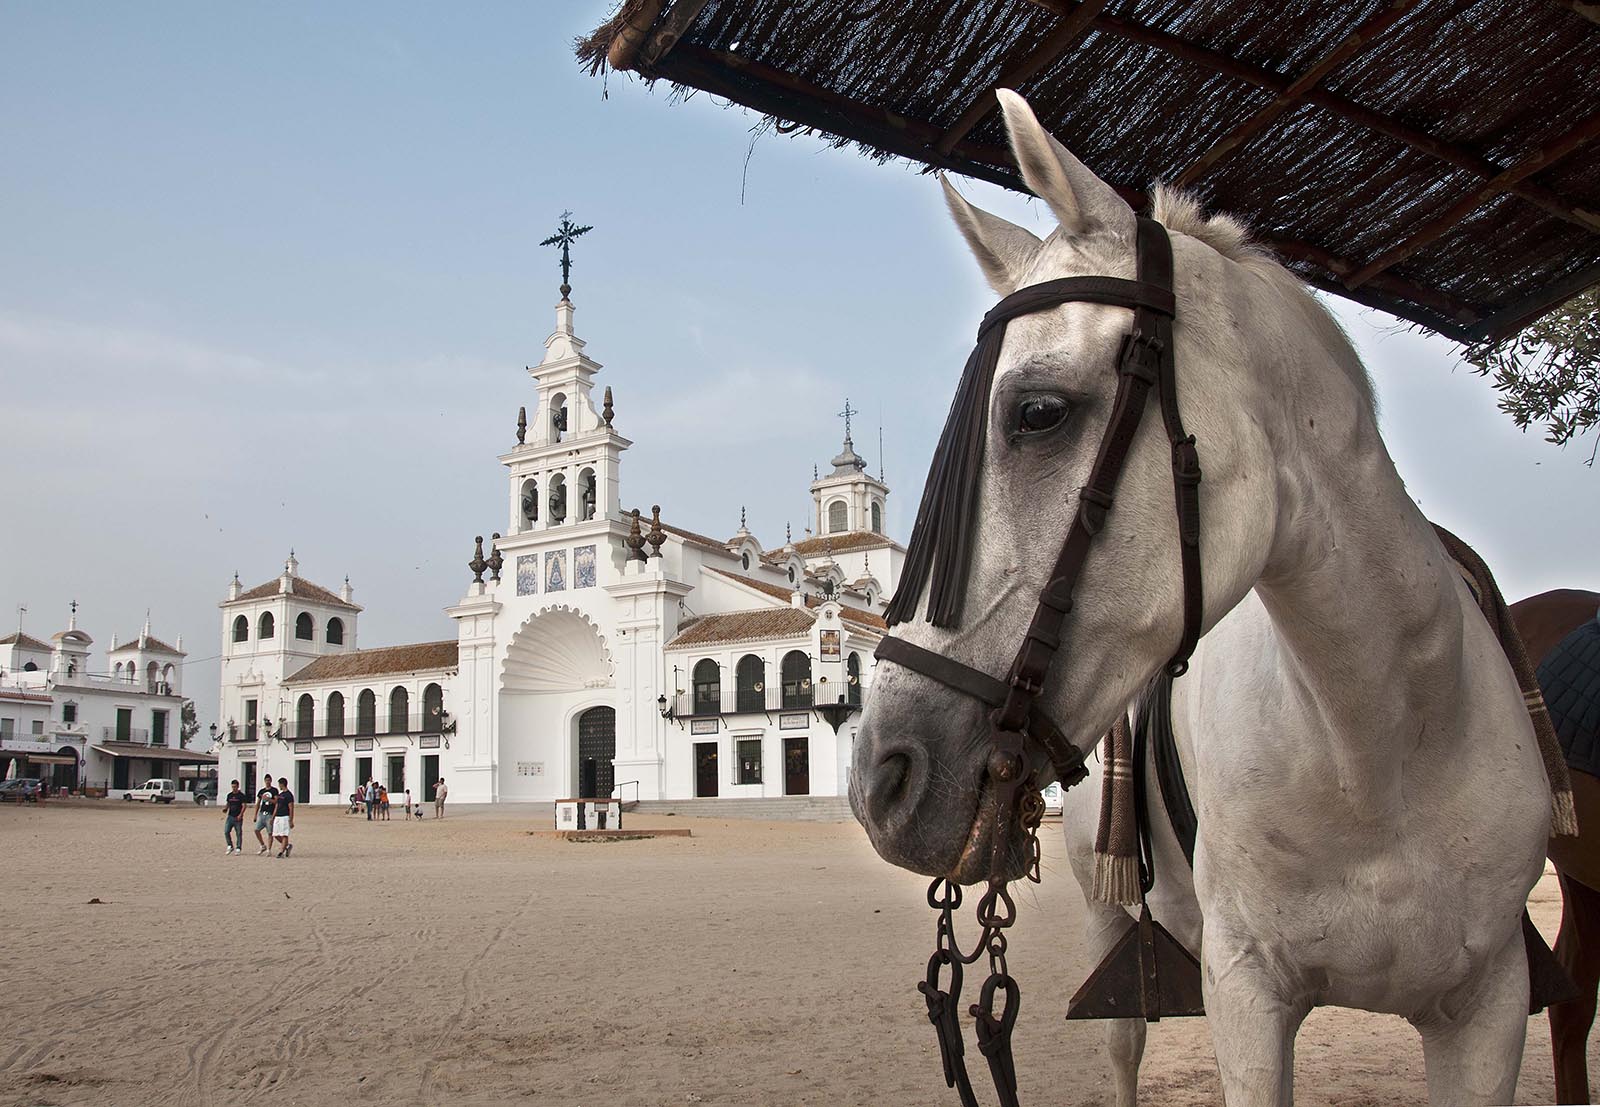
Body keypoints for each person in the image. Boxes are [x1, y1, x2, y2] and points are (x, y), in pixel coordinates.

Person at [253, 776, 278, 855]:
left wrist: (269, 799)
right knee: (256, 830)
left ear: (271, 781)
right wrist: (255, 814)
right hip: (262, 813)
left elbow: (276, 802)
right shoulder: (261, 791)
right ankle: (262, 845)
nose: (267, 782)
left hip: (270, 813)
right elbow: (258, 803)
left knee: (270, 832)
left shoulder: (274, 790)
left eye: (269, 780)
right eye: (266, 780)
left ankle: (269, 849)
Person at [272, 775, 295, 858]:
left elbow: (291, 808)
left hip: (285, 816)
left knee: (284, 834)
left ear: (282, 784)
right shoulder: (280, 794)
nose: (279, 786)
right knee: (276, 834)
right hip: (278, 816)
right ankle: (287, 845)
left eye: (279, 784)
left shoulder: (289, 795)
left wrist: (291, 820)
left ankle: (281, 852)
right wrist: (273, 817)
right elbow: (277, 806)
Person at [223, 779, 247, 855]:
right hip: (230, 816)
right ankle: (230, 845)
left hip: (237, 816)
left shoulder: (241, 796)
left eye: (235, 787)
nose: (234, 788)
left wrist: (241, 814)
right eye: (233, 787)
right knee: (226, 831)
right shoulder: (229, 795)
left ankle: (238, 847)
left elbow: (244, 806)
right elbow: (228, 803)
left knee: (238, 833)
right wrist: (226, 808)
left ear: (238, 786)